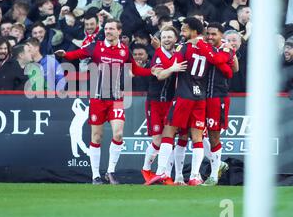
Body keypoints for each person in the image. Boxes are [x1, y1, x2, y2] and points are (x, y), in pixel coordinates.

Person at [55, 19, 152, 184]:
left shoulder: (124, 51)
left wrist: (152, 71)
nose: (108, 31)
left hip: (116, 99)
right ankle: (95, 176)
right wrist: (66, 55)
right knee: (97, 137)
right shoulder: (96, 46)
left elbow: (135, 70)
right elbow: (78, 54)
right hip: (97, 98)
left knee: (119, 133)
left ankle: (110, 172)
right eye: (106, 28)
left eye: (112, 29)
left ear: (119, 31)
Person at [148, 18, 234, 186]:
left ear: (194, 31)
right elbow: (226, 68)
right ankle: (194, 176)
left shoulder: (184, 47)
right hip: (200, 98)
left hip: (183, 96)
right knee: (197, 138)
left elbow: (172, 66)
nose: (182, 32)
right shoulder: (211, 49)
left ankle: (161, 172)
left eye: (185, 30)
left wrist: (160, 59)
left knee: (169, 133)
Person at [139, 27, 187, 185]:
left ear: (175, 39)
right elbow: (159, 75)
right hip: (155, 101)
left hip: (171, 102)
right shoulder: (158, 55)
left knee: (169, 139)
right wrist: (172, 68)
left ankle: (165, 174)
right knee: (158, 140)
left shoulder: (178, 54)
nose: (166, 39)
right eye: (164, 37)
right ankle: (146, 169)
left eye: (169, 37)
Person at [201, 23, 238, 186]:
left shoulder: (226, 49)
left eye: (214, 34)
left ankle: (214, 175)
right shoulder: (206, 48)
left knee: (214, 135)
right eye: (208, 34)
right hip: (200, 97)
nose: (210, 37)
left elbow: (222, 63)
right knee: (195, 133)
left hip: (218, 97)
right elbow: (232, 69)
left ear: (221, 35)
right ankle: (219, 163)